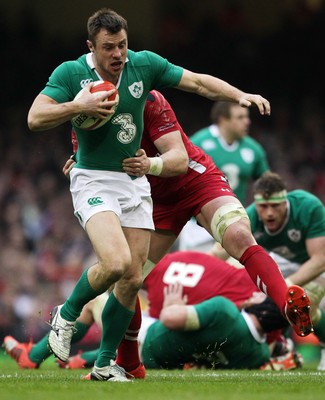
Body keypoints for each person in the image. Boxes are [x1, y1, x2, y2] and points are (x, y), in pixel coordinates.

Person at [26, 7, 307, 380]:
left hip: (187, 180)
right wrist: (78, 140)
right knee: (127, 278)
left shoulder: (151, 94)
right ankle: (119, 362)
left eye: (123, 45)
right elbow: (51, 125)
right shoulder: (82, 92)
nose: (118, 55)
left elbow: (182, 135)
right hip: (147, 196)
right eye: (109, 47)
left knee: (237, 233)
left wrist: (240, 95)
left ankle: (283, 298)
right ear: (91, 47)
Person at [3, 251, 302, 372]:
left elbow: (164, 327)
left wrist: (173, 307)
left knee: (103, 306)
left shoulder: (162, 278)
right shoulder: (185, 268)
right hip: (237, 325)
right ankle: (79, 360)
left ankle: (36, 356)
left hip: (172, 338)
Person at [212, 171, 325, 369]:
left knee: (304, 304)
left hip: (315, 266)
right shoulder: (252, 216)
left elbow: (320, 260)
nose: (269, 213)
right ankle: (279, 347)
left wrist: (287, 286)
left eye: (275, 206)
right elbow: (218, 253)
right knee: (234, 266)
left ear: (285, 201)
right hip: (281, 264)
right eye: (264, 207)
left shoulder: (308, 207)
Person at [178, 101, 269, 251]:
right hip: (198, 226)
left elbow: (266, 185)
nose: (247, 121)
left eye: (246, 117)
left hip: (234, 224)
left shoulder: (253, 149)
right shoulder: (199, 142)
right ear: (223, 120)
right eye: (240, 117)